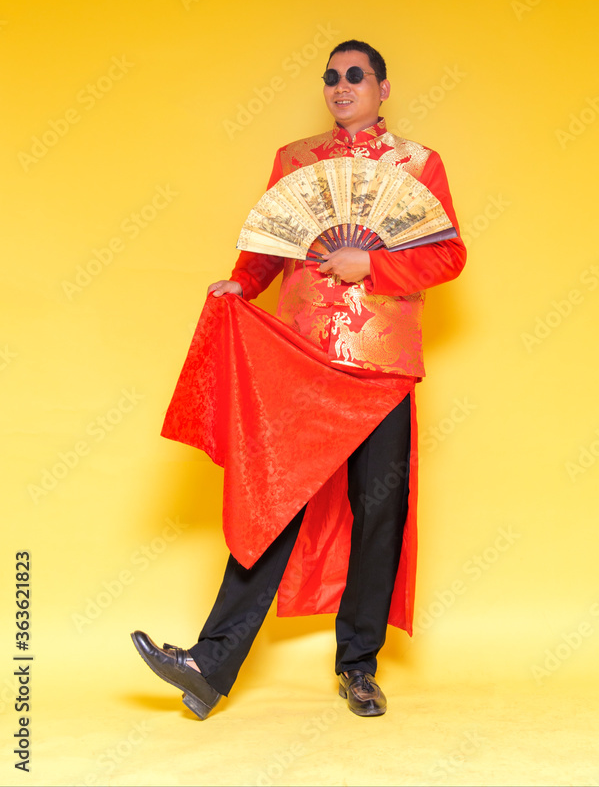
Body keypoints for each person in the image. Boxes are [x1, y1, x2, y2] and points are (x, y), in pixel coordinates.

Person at [131, 39, 466, 719]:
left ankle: (359, 667)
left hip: (382, 368)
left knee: (380, 515)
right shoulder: (295, 161)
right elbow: (267, 245)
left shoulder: (419, 166)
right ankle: (209, 663)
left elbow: (449, 254)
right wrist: (243, 282)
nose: (341, 87)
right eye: (331, 77)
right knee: (276, 501)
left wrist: (370, 267)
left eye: (355, 76)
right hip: (303, 361)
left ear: (382, 85)